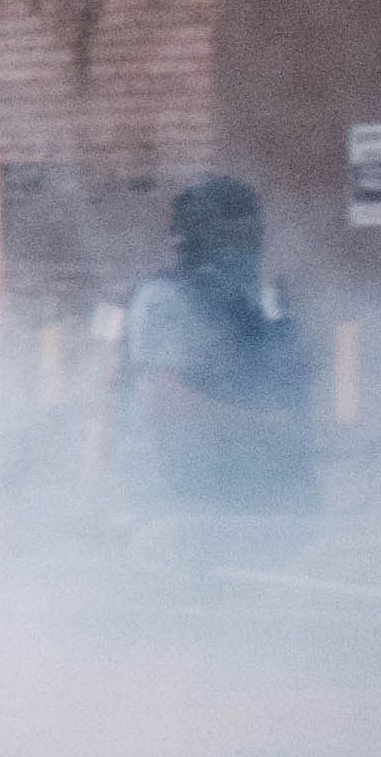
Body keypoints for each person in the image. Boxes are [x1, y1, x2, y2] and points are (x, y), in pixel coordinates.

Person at [120, 174, 318, 528]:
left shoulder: (250, 303)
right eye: (236, 236)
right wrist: (253, 425)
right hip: (176, 499)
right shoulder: (163, 299)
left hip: (239, 491)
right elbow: (161, 395)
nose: (247, 249)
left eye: (251, 235)